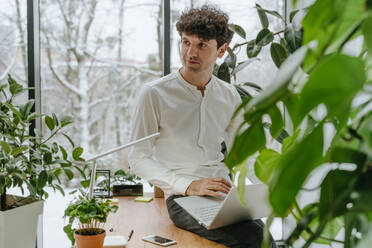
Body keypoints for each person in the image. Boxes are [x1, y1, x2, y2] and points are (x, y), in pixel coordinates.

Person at [128, 5, 276, 248]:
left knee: (266, 234)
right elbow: (138, 158)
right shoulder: (154, 93)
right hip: (182, 198)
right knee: (256, 238)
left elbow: (243, 151)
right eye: (186, 42)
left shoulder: (228, 95)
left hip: (224, 195)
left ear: (221, 50)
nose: (190, 52)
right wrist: (188, 186)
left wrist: (270, 188)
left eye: (201, 45)